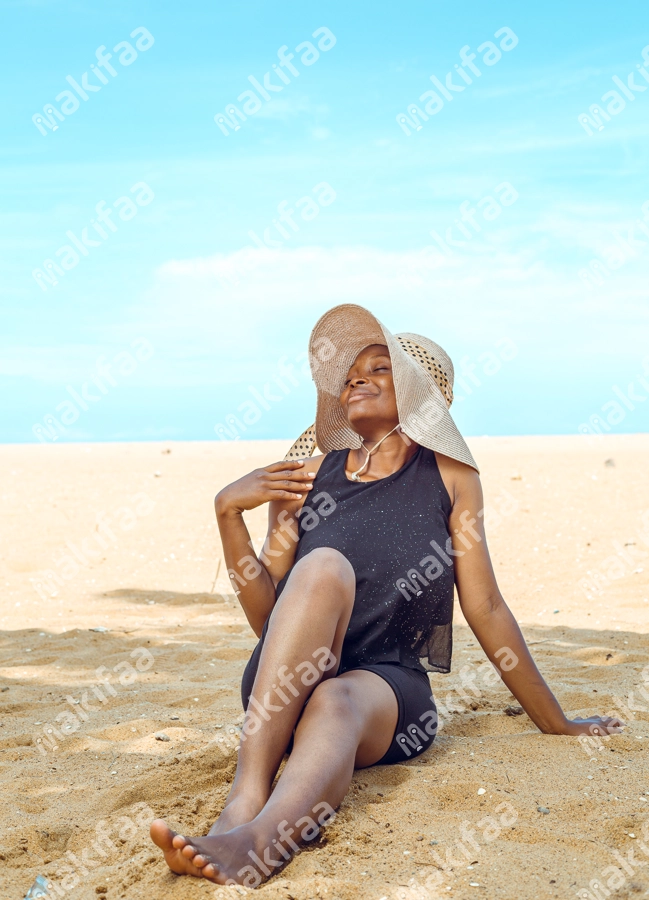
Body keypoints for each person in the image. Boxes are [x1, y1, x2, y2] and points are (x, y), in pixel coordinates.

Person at [150, 303, 623, 887]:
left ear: (419, 397)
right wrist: (227, 515)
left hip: (387, 694)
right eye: (353, 372)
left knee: (337, 701)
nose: (356, 378)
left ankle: (258, 845)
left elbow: (487, 607)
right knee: (321, 567)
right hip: (283, 689)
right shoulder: (305, 480)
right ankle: (243, 802)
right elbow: (269, 620)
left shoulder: (451, 478)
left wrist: (557, 721)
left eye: (380, 370)